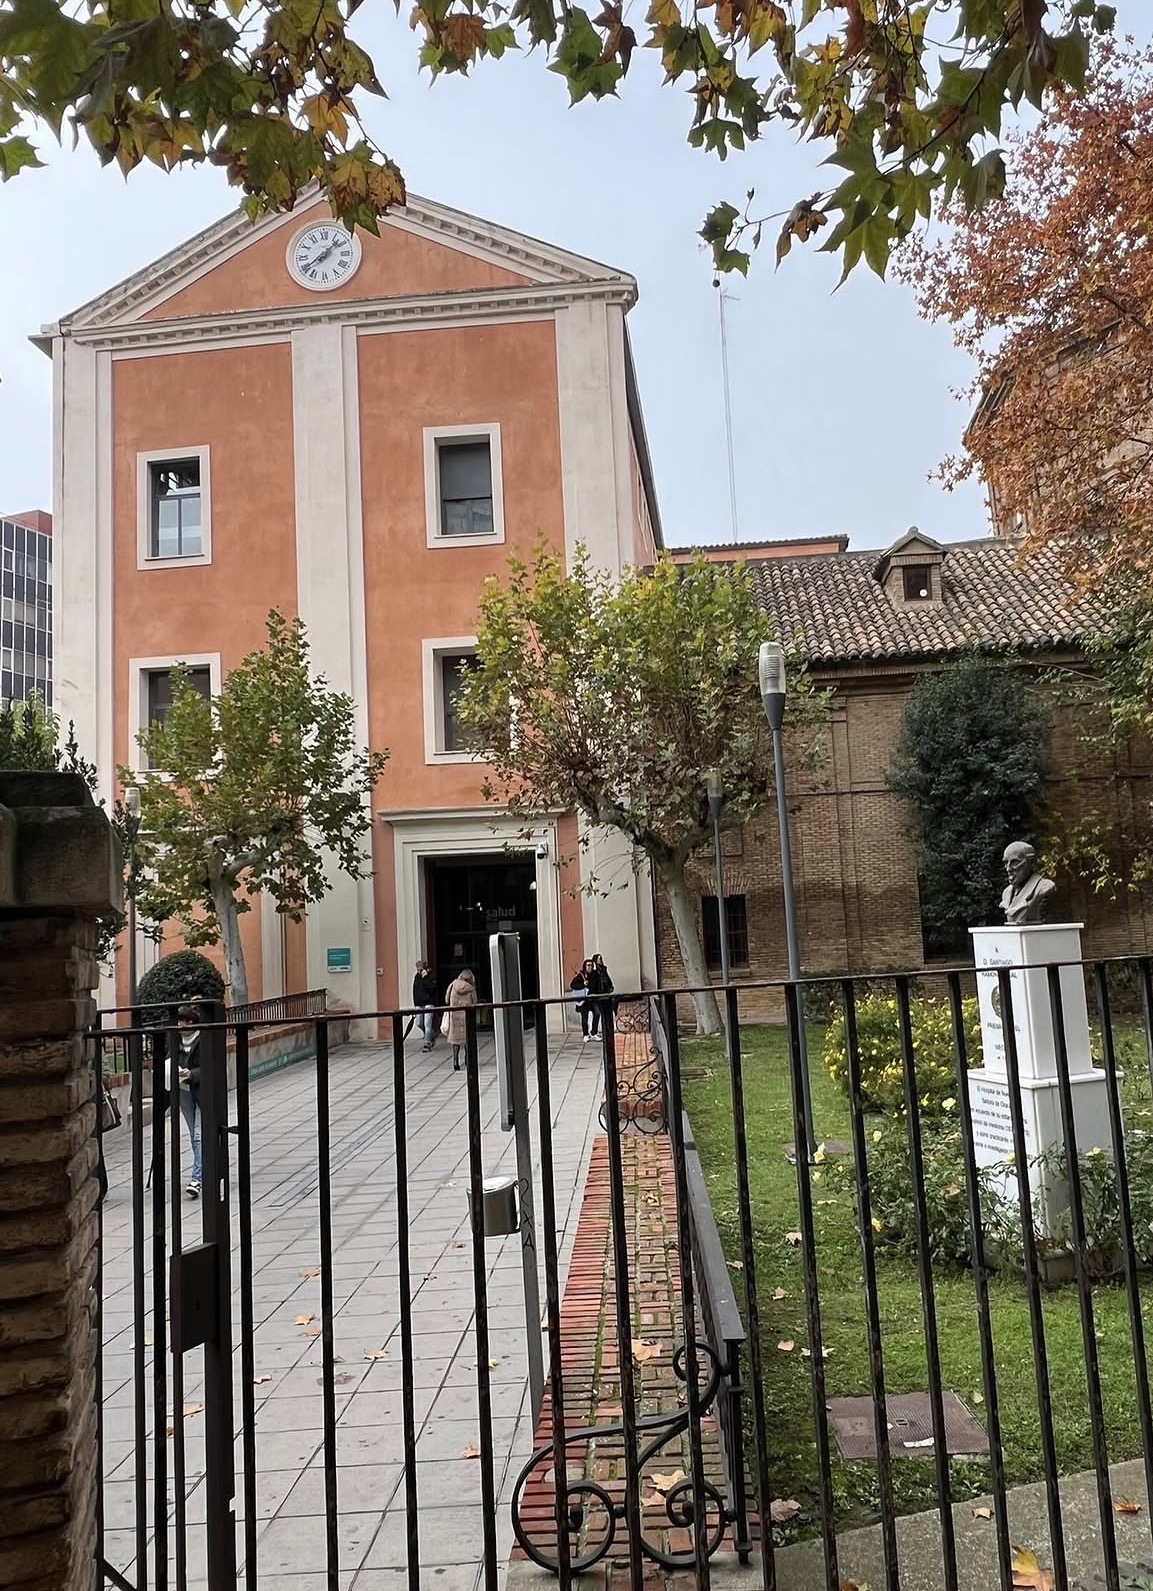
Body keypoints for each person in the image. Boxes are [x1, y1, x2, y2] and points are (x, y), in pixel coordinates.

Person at [173, 1003, 203, 1198]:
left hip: (202, 1092)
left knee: (199, 1135)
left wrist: (192, 1074)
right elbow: (168, 1059)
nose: (182, 1026)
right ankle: (207, 1168)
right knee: (194, 1135)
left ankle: (197, 1178)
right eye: (180, 1021)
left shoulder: (203, 1039)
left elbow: (210, 1065)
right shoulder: (175, 1040)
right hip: (184, 1092)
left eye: (186, 1022)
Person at [1001, 841, 1057, 926]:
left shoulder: (1044, 887)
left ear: (1031, 862)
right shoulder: (1006, 893)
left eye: (1015, 862)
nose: (1008, 869)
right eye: (1006, 863)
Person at [446, 968, 478, 1072]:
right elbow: (475, 1002)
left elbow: (446, 999)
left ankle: (455, 1061)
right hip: (466, 1016)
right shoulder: (471, 988)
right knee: (467, 1039)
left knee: (456, 1041)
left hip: (454, 1016)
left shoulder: (453, 984)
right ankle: (468, 1060)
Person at [413, 960, 438, 1052]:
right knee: (419, 1023)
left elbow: (432, 989)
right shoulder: (417, 977)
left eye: (420, 970)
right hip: (419, 1003)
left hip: (429, 1003)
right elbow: (415, 990)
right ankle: (431, 1034)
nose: (419, 972)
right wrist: (415, 1003)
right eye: (418, 970)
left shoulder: (431, 976)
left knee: (427, 1024)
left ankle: (427, 1043)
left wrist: (426, 978)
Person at [570, 958, 597, 1042]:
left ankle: (594, 1032)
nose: (590, 967)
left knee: (597, 1013)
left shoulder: (595, 974)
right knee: (584, 1018)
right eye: (588, 965)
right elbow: (572, 985)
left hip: (592, 1000)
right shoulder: (581, 975)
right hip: (584, 1001)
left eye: (591, 965)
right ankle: (585, 1034)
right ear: (585, 966)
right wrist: (583, 984)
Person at [589, 953, 615, 1036]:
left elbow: (607, 978)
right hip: (597, 995)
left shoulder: (603, 969)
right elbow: (593, 982)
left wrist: (610, 986)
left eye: (601, 959)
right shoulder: (594, 971)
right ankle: (594, 1031)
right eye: (599, 959)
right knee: (598, 1013)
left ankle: (608, 1030)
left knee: (607, 1012)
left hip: (605, 994)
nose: (600, 960)